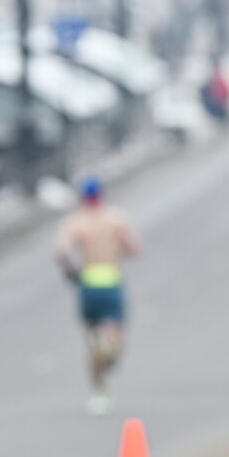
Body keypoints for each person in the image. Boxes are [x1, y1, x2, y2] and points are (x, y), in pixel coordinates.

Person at [52, 176, 140, 415]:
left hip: (88, 284)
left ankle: (99, 391)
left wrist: (72, 270)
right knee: (114, 330)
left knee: (91, 339)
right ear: (102, 194)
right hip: (111, 280)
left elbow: (61, 250)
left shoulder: (76, 222)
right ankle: (109, 351)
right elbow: (134, 247)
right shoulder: (114, 218)